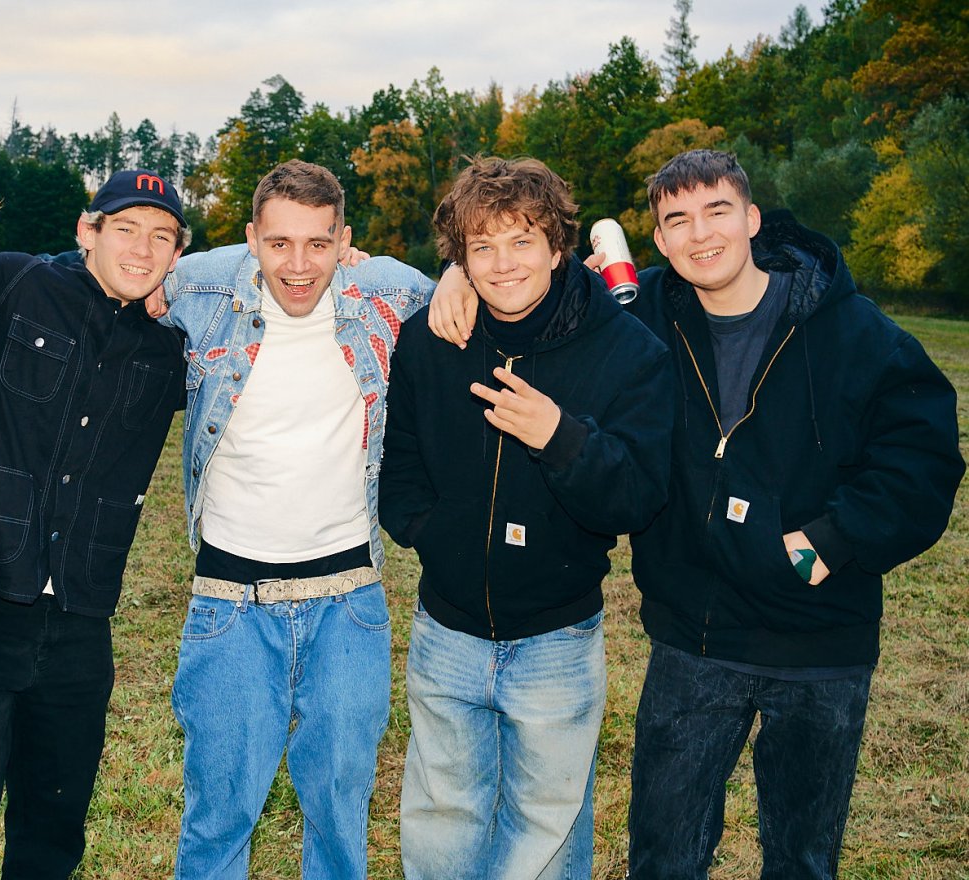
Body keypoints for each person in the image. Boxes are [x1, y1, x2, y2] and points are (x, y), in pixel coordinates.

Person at [620, 149, 964, 878]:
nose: (700, 234)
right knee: (662, 857)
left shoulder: (851, 331)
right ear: (659, 239)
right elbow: (525, 286)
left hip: (820, 645)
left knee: (802, 862)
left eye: (717, 210)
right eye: (678, 219)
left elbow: (923, 458)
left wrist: (832, 539)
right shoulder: (643, 316)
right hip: (693, 638)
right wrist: (457, 275)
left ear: (752, 219)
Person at [378, 157, 672, 880]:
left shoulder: (627, 349)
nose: (503, 263)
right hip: (446, 629)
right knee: (443, 819)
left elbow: (638, 496)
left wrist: (560, 438)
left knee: (544, 826)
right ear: (460, 257)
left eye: (521, 241)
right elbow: (400, 464)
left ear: (558, 245)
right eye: (482, 246)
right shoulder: (431, 339)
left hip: (556, 639)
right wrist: (432, 533)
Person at [159, 159, 437, 880]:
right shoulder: (203, 287)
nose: (299, 265)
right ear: (251, 238)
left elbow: (469, 291)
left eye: (318, 243)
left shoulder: (383, 291)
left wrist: (464, 278)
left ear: (345, 240)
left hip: (349, 601)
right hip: (230, 600)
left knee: (341, 811)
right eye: (279, 243)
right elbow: (117, 272)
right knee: (219, 813)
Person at [0, 169, 189, 877]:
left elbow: (272, 285)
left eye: (162, 237)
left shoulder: (169, 347)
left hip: (81, 614)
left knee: (56, 823)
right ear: (86, 231)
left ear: (178, 254)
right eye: (124, 229)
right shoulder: (15, 283)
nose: (142, 250)